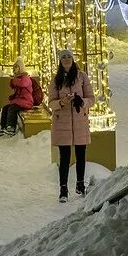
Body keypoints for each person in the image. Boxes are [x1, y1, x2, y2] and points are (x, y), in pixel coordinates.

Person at [50, 49, 94, 203]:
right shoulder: (56, 80)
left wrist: (81, 101)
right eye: (64, 57)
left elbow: (91, 98)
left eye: (69, 57)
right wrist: (62, 102)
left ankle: (80, 184)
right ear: (60, 61)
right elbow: (51, 102)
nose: (67, 59)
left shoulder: (82, 77)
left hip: (79, 121)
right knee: (65, 157)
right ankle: (63, 189)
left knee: (81, 155)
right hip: (62, 122)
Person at [0, 59, 35, 136]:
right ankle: (3, 127)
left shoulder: (25, 77)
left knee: (12, 109)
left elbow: (23, 84)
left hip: (26, 102)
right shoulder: (18, 78)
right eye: (13, 67)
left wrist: (14, 80)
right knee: (5, 108)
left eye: (16, 67)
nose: (14, 69)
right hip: (20, 101)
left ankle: (11, 127)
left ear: (20, 68)